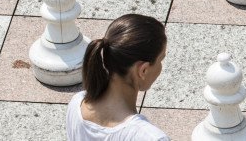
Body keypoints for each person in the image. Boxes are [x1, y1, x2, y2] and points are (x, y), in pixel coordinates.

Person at [66, 13, 169, 141]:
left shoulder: (76, 104)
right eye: (161, 60)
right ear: (143, 70)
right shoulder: (151, 137)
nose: (160, 67)